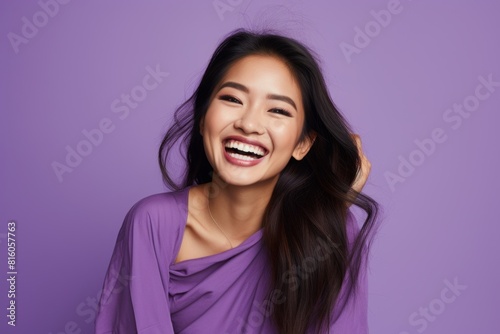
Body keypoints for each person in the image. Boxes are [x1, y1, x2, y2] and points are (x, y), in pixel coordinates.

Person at [94, 28, 379, 334]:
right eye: (232, 98)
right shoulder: (153, 223)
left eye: (278, 110)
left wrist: (327, 222)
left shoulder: (334, 228)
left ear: (302, 144)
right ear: (204, 118)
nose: (249, 124)